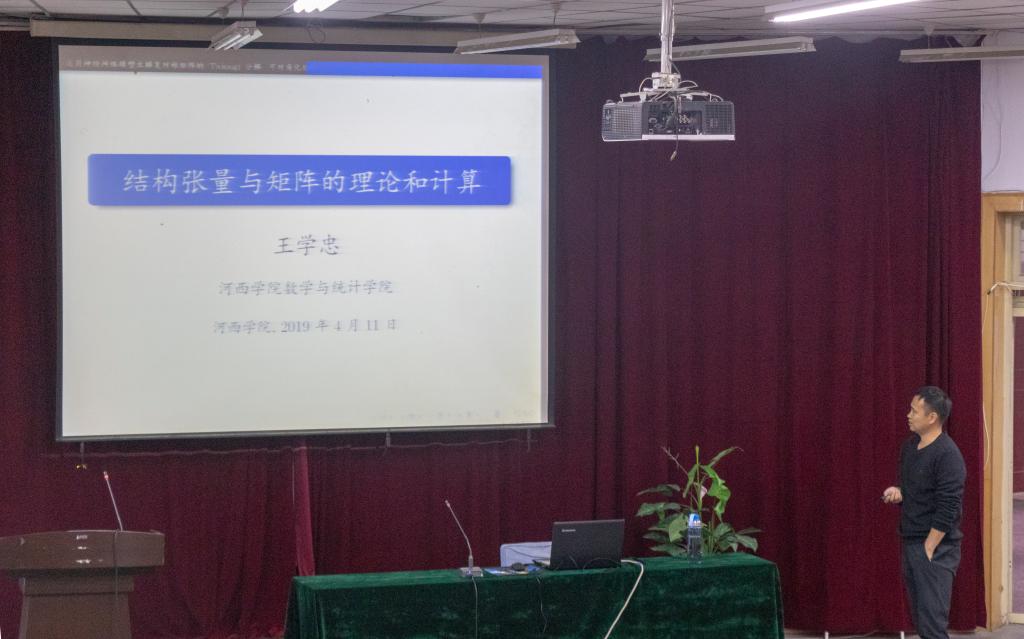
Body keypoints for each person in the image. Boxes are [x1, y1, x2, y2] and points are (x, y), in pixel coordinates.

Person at [882, 386, 966, 639]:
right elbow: (913, 488)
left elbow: (949, 505)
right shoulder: (910, 447)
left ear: (932, 417)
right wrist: (898, 491)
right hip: (911, 542)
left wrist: (930, 545)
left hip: (936, 548)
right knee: (921, 621)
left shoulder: (948, 454)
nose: (908, 415)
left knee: (932, 625)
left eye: (914, 411)